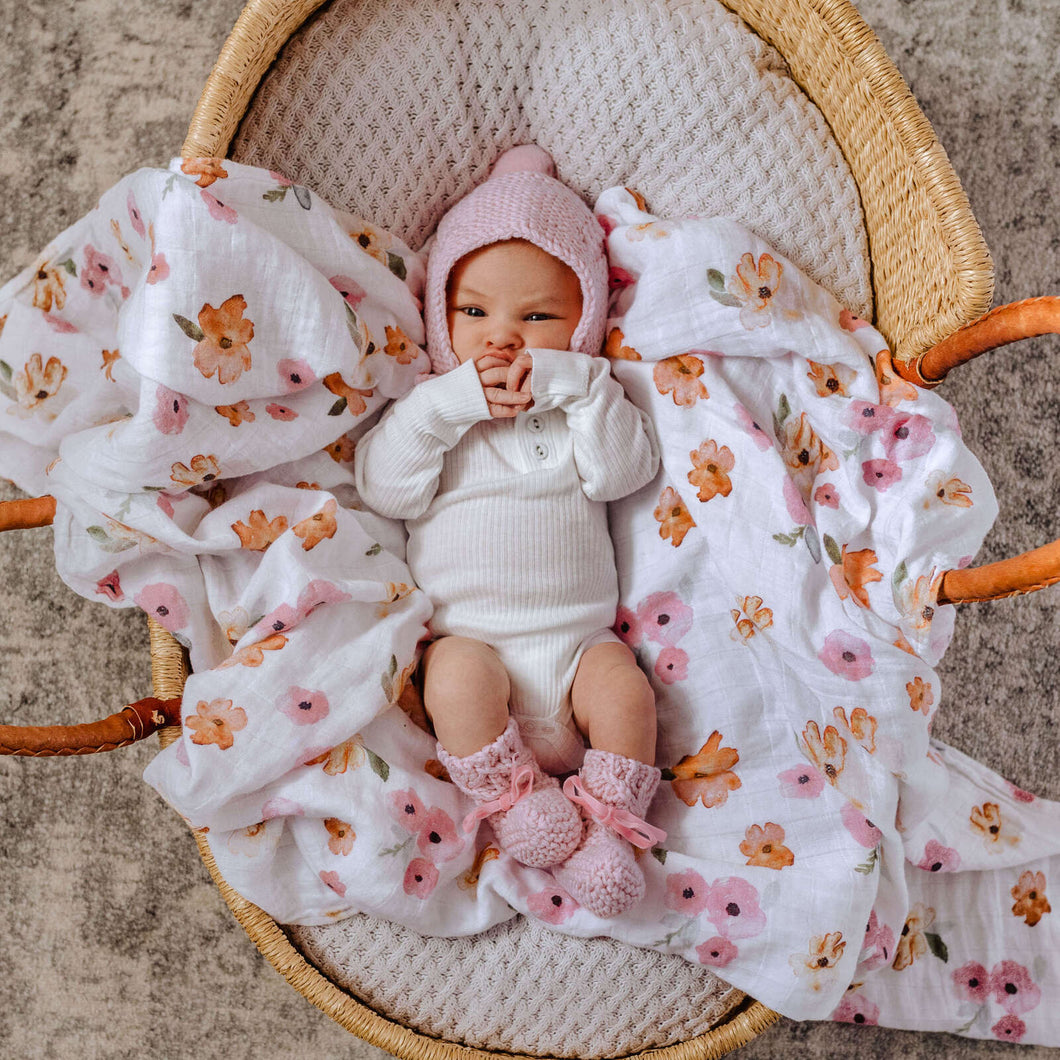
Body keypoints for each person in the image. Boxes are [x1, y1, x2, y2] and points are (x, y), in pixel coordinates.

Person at [354, 146, 665, 918]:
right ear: (441, 318)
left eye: (537, 318)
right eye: (474, 312)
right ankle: (515, 804)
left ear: (583, 325)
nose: (503, 339)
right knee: (452, 672)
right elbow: (383, 488)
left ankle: (607, 824)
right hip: (478, 653)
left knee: (627, 692)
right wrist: (447, 404)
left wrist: (576, 385)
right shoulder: (433, 415)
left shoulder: (584, 403)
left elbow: (625, 473)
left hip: (577, 651)